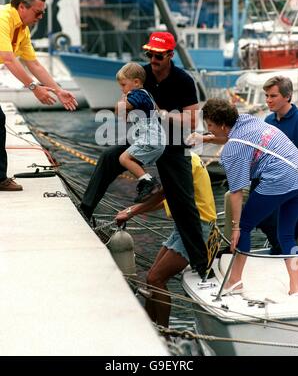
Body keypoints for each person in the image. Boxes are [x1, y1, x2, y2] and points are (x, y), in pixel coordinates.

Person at [80, 31, 208, 276]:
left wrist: (161, 114)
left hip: (172, 141)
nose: (153, 59)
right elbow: (122, 107)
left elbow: (192, 121)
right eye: (150, 54)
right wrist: (123, 108)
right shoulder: (140, 74)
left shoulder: (183, 80)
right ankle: (85, 211)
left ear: (171, 55)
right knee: (110, 157)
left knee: (183, 204)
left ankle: (201, 264)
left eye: (158, 55)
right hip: (144, 135)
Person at [202, 98, 298, 296]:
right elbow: (236, 137)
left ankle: (235, 281)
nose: (209, 129)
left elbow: (237, 191)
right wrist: (208, 138)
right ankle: (296, 286)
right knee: (286, 235)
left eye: (210, 126)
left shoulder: (232, 151)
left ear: (221, 124)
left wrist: (236, 226)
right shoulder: (247, 120)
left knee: (244, 227)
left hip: (279, 178)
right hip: (297, 171)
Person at [115, 151, 216, 327]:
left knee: (156, 279)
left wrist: (131, 212)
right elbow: (168, 198)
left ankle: (164, 333)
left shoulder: (183, 162)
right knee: (151, 279)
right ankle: (149, 327)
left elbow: (163, 194)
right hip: (183, 226)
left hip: (196, 229)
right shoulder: (183, 157)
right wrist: (132, 210)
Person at [0, 0, 78, 191]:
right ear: (22, 7)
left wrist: (58, 89)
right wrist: (35, 88)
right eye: (38, 12)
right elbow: (8, 59)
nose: (41, 17)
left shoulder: (22, 30)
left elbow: (33, 63)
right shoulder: (3, 18)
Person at [115, 62, 165, 202]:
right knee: (128, 159)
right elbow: (123, 116)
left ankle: (149, 182)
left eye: (123, 85)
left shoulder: (138, 95)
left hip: (151, 138)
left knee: (124, 158)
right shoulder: (145, 95)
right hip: (155, 139)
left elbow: (120, 110)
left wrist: (123, 99)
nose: (122, 89)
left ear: (136, 82)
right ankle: (147, 182)